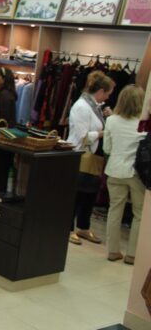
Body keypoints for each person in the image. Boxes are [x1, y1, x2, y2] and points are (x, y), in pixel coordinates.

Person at [66, 70, 115, 245]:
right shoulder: (82, 106)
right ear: (100, 91)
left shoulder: (95, 107)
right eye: (107, 94)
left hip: (92, 156)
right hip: (80, 154)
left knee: (89, 194)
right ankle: (67, 228)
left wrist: (108, 118)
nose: (108, 97)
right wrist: (103, 133)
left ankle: (83, 227)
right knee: (77, 194)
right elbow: (82, 136)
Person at [103, 84, 146, 264]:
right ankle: (132, 254)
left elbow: (107, 148)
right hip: (136, 173)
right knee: (139, 214)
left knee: (114, 210)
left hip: (114, 170)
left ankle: (113, 251)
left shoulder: (111, 121)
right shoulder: (144, 125)